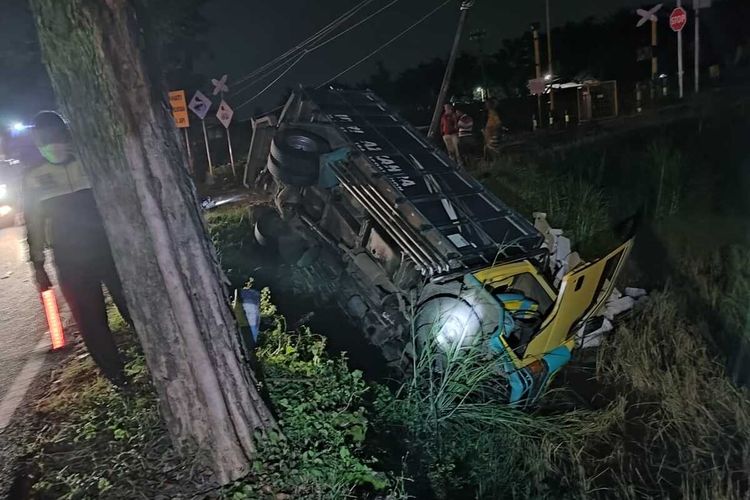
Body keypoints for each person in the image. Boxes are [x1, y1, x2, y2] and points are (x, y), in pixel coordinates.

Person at [22, 111, 130, 385]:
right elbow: (33, 223)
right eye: (44, 139)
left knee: (135, 307)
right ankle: (116, 376)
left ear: (66, 134)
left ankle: (159, 356)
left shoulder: (91, 162)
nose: (51, 143)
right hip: (70, 259)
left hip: (110, 249)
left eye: (55, 136)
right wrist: (37, 264)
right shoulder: (34, 176)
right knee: (90, 321)